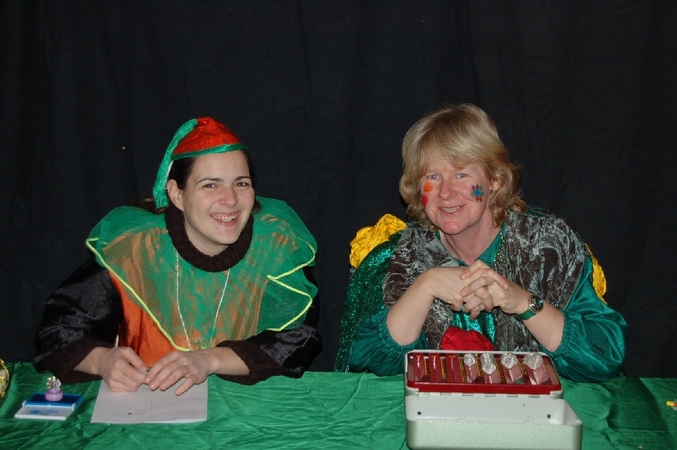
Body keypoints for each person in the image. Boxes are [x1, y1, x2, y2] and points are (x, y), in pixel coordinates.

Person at [336, 103, 626, 382]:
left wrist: (522, 302)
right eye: (432, 176)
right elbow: (371, 362)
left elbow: (602, 357)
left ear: (495, 180)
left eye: (461, 174)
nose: (445, 192)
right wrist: (425, 285)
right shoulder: (402, 255)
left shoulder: (546, 246)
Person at [34, 117, 322, 395]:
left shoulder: (276, 247)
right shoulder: (134, 250)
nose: (231, 199)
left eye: (241, 183)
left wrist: (209, 360)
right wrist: (102, 360)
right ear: (176, 193)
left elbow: (297, 339)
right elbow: (58, 332)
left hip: (248, 410)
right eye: (211, 185)